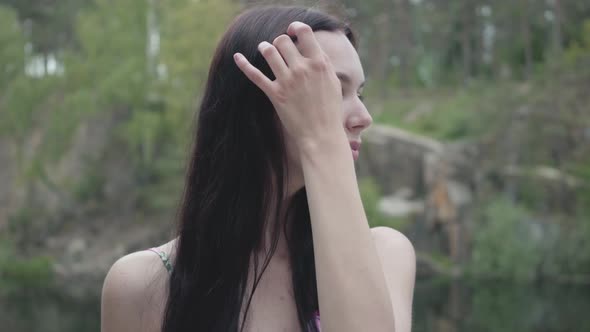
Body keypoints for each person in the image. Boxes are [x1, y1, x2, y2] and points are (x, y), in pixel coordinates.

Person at [100, 5, 415, 332]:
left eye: (360, 93)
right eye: (332, 90)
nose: (364, 117)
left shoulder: (387, 256)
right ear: (258, 102)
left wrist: (323, 146)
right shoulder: (143, 286)